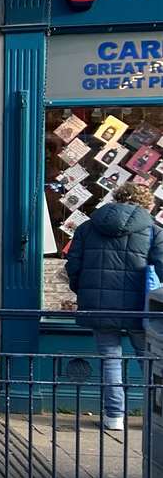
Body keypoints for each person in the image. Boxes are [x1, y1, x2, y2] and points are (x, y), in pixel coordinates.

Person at [64, 181, 163, 431]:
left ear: (116, 197)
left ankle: (115, 416)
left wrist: (84, 293)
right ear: (146, 204)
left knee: (110, 360)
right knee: (150, 361)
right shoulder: (153, 231)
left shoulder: (87, 228)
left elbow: (73, 267)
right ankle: (156, 416)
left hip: (100, 307)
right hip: (141, 308)